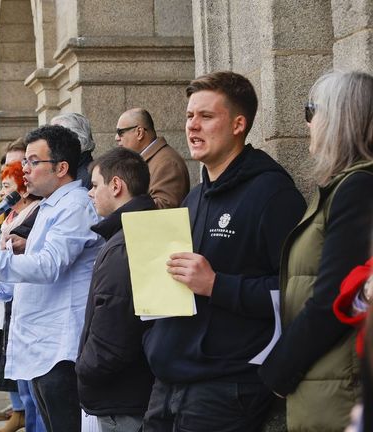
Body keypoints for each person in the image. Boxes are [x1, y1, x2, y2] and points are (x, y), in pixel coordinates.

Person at [140, 71, 307, 431]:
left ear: (238, 124)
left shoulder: (273, 195)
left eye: (206, 116)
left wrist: (217, 284)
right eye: (188, 116)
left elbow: (297, 294)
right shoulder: (194, 197)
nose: (192, 126)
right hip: (167, 381)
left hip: (226, 386)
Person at [0, 125, 103, 432]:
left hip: (61, 346)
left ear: (62, 168)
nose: (25, 170)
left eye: (33, 162)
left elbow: (48, 266)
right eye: (25, 163)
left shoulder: (74, 206)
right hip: (42, 343)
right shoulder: (49, 206)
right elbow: (31, 273)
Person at [258, 71, 373, 431]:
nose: (307, 123)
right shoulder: (342, 188)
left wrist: (280, 369)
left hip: (339, 388)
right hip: (326, 379)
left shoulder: (357, 189)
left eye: (311, 111)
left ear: (340, 118)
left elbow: (335, 299)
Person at [77, 147, 156, 431]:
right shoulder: (143, 228)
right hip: (133, 391)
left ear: (116, 186)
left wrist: (84, 369)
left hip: (121, 398)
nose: (90, 192)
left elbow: (113, 328)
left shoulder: (124, 244)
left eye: (95, 185)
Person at [0, 160, 43, 432]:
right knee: (21, 377)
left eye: (7, 186)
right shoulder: (7, 216)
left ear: (22, 189)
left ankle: (26, 417)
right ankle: (21, 413)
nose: (1, 191)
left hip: (27, 302)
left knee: (35, 388)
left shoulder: (33, 213)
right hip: (8, 297)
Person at [115, 108, 190, 208]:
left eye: (121, 132)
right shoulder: (151, 160)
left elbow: (164, 210)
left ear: (139, 132)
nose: (117, 138)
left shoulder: (167, 163)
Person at [51, 112, 95, 187]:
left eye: (56, 138)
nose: (50, 144)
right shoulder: (71, 171)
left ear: (78, 140)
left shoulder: (89, 177)